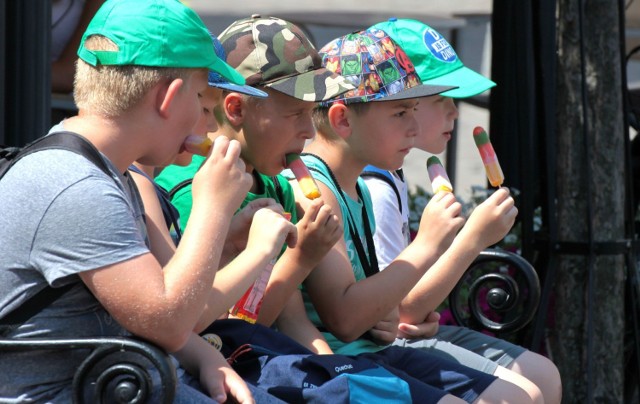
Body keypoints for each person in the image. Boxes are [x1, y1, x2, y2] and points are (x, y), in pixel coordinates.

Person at [0, 1, 275, 402]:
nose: (211, 127)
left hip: (119, 380)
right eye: (202, 101)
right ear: (169, 97)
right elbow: (168, 321)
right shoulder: (77, 186)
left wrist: (205, 358)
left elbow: (169, 307)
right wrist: (213, 206)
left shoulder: (106, 170)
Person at [282, 26, 533, 402]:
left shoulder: (359, 188)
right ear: (342, 120)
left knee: (519, 395)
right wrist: (429, 244)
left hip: (372, 352)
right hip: (336, 365)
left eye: (415, 111)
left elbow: (373, 310)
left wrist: (386, 314)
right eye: (400, 113)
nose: (414, 129)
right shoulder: (315, 192)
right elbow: (346, 320)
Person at [359, 18, 562, 404]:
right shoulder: (375, 188)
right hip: (376, 347)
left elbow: (405, 308)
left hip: (399, 332)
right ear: (400, 104)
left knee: (545, 377)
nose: (455, 111)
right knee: (520, 394)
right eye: (442, 99)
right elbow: (403, 310)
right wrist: (472, 239)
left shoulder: (394, 174)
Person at [156, 16, 349, 350]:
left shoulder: (276, 187)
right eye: (295, 114)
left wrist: (335, 368)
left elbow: (291, 322)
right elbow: (222, 329)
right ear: (235, 109)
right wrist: (301, 257)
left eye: (312, 112)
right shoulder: (191, 189)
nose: (310, 131)